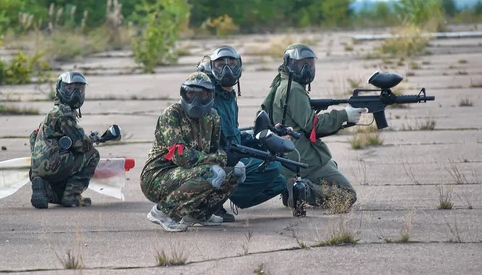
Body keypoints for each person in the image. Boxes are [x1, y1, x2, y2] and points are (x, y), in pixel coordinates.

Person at [261, 43, 365, 212]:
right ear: (289, 64)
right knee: (347, 195)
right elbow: (312, 124)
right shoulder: (293, 89)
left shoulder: (285, 83)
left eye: (310, 63)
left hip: (294, 155)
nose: (307, 69)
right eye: (302, 64)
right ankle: (301, 190)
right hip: (303, 159)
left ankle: (295, 189)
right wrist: (344, 115)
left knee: (332, 165)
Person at [140, 72, 245, 232]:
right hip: (156, 177)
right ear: (183, 93)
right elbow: (181, 157)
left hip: (188, 173)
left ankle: (199, 214)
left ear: (210, 95)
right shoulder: (172, 114)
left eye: (202, 94)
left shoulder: (212, 117)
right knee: (212, 173)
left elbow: (211, 152)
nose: (195, 100)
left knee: (237, 172)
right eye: (190, 94)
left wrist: (229, 158)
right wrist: (222, 157)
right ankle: (163, 212)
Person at [196, 46, 291, 222]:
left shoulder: (229, 96)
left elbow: (235, 136)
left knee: (280, 179)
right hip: (214, 160)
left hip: (229, 155)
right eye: (220, 64)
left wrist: (268, 136)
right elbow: (223, 143)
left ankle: (230, 195)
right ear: (211, 67)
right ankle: (211, 204)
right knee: (272, 167)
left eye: (231, 63)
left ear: (239, 66)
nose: (226, 69)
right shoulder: (211, 98)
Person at [29, 71, 100, 209]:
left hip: (36, 169)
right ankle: (71, 196)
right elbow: (81, 145)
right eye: (70, 88)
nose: (76, 94)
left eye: (79, 89)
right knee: (93, 154)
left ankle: (44, 187)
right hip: (54, 166)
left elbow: (33, 137)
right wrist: (93, 138)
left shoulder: (52, 113)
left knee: (60, 182)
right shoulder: (64, 114)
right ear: (60, 89)